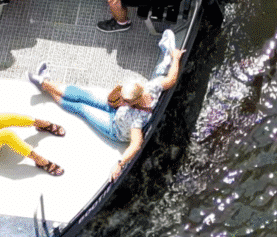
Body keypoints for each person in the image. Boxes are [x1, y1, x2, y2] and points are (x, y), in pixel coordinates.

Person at [27, 30, 184, 181]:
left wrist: (119, 164)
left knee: (81, 108)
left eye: (123, 99)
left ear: (131, 101)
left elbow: (136, 144)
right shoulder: (152, 87)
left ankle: (45, 86)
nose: (120, 99)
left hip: (113, 127)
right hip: (115, 111)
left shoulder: (135, 119)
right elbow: (171, 79)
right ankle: (45, 82)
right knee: (83, 95)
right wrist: (175, 58)